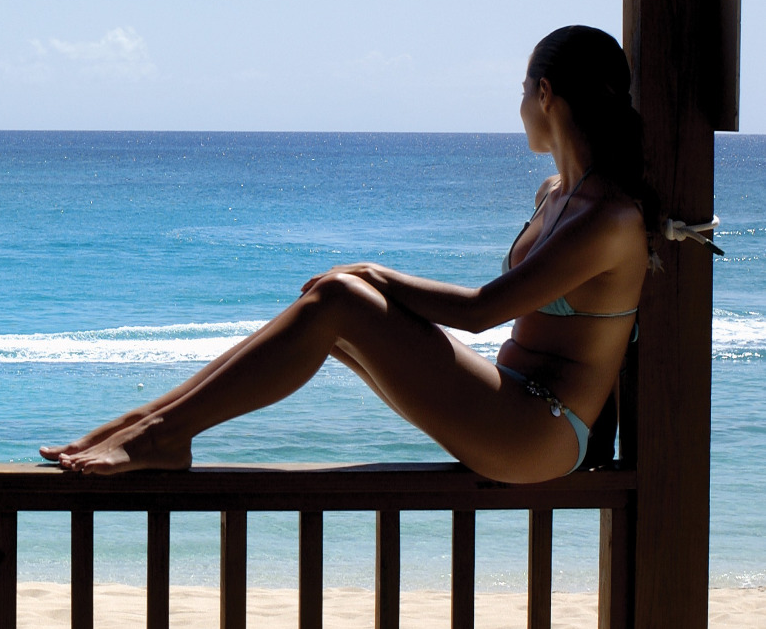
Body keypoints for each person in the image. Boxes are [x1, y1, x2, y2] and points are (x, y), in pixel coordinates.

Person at [40, 26, 652, 484]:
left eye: (521, 92)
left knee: (339, 298)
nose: (518, 108)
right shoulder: (554, 194)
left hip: (540, 432)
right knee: (326, 315)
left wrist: (373, 273)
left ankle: (159, 435)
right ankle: (149, 422)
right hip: (509, 404)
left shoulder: (609, 219)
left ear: (544, 93)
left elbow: (480, 312)